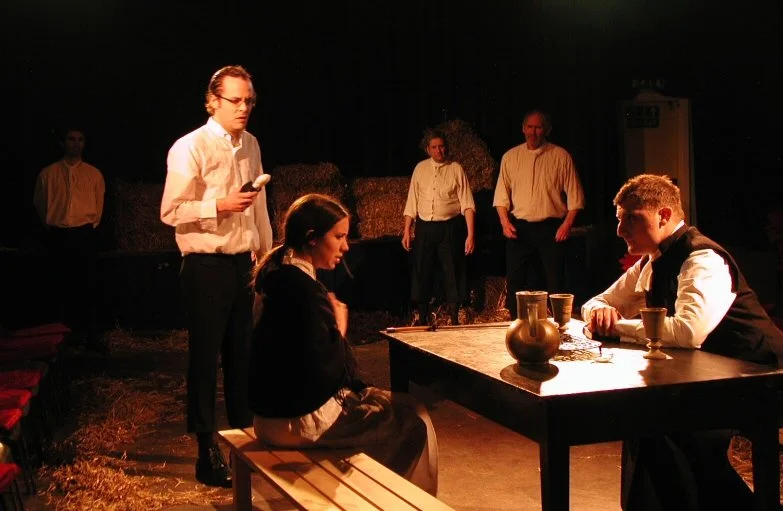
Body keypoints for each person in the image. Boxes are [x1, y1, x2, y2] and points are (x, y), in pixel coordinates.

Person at [581, 173, 783, 511]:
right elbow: (598, 301)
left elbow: (688, 332)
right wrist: (599, 313)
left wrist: (618, 328)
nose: (620, 230)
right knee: (643, 420)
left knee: (671, 430)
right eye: (619, 219)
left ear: (663, 215)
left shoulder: (702, 259)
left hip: (761, 375)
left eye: (631, 219)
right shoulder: (652, 259)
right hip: (713, 376)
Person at [249, 194, 439, 496]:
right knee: (414, 425)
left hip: (267, 417)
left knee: (405, 406)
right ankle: (392, 500)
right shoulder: (304, 290)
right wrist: (339, 327)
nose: (346, 246)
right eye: (338, 237)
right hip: (296, 421)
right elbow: (326, 372)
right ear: (312, 238)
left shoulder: (276, 276)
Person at [160, 65, 273, 488]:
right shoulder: (190, 147)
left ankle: (243, 444)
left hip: (243, 263)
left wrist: (267, 255)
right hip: (206, 265)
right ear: (213, 101)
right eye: (235, 100)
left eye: (249, 101)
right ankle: (206, 451)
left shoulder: (251, 144)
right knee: (206, 359)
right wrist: (219, 205)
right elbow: (170, 211)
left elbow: (259, 207)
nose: (244, 108)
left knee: (242, 358)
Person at [493, 109, 585, 318]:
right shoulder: (511, 157)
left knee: (555, 280)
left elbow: (576, 198)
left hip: (551, 228)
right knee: (515, 280)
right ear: (523, 129)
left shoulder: (560, 156)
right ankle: (515, 324)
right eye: (530, 127)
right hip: (519, 228)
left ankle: (560, 324)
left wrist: (566, 225)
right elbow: (501, 197)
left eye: (538, 127)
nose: (533, 132)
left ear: (547, 130)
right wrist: (505, 223)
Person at [33, 126, 108, 355]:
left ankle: (91, 335)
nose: (76, 144)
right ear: (62, 143)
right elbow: (41, 203)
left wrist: (88, 227)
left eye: (80, 140)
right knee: (60, 286)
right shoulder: (48, 174)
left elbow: (98, 206)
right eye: (71, 139)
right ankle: (61, 338)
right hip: (59, 235)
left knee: (89, 286)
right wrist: (54, 226)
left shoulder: (93, 174)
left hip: (84, 234)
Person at [402, 129, 476, 325]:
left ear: (446, 147)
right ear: (428, 149)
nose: (438, 150)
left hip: (450, 227)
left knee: (452, 270)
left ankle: (454, 318)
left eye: (441, 146)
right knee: (422, 270)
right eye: (434, 147)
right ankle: (422, 318)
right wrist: (407, 230)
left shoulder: (456, 169)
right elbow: (412, 202)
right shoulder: (420, 169)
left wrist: (470, 234)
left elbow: (467, 204)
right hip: (425, 227)